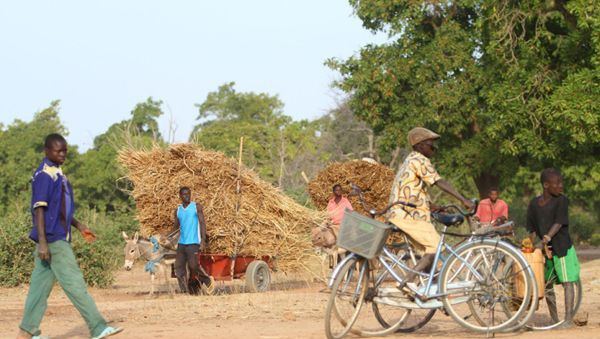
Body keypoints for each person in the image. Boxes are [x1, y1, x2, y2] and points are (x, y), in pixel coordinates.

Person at [17, 134, 122, 339]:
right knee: (75, 284)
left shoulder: (57, 172)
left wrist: (79, 225)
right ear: (47, 151)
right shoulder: (45, 175)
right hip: (53, 241)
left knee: (38, 290)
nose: (63, 154)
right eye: (58, 151)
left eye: (65, 150)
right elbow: (38, 210)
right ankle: (98, 327)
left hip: (53, 238)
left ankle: (27, 332)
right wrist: (43, 244)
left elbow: (59, 209)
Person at [388, 127, 473, 289]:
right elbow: (439, 182)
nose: (434, 148)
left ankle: (433, 289)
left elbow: (413, 190)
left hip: (403, 213)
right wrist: (464, 200)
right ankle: (407, 282)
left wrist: (433, 207)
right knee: (436, 246)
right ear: (420, 145)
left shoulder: (410, 160)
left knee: (427, 253)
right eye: (431, 145)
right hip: (408, 215)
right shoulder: (419, 160)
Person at [526, 168, 580, 328]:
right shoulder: (534, 204)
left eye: (561, 183)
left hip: (561, 247)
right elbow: (531, 228)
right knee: (547, 284)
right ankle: (554, 318)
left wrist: (546, 238)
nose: (561, 186)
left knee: (567, 282)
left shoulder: (562, 200)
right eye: (557, 183)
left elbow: (559, 222)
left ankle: (568, 319)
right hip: (545, 251)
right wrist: (530, 244)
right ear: (546, 185)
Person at [173, 187, 214, 295]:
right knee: (178, 267)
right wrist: (165, 237)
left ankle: (207, 281)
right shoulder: (178, 210)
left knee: (193, 266)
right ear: (180, 196)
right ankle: (184, 290)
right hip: (182, 243)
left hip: (193, 242)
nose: (187, 196)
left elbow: (202, 223)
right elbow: (175, 227)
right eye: (184, 194)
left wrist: (203, 241)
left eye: (188, 194)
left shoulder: (196, 207)